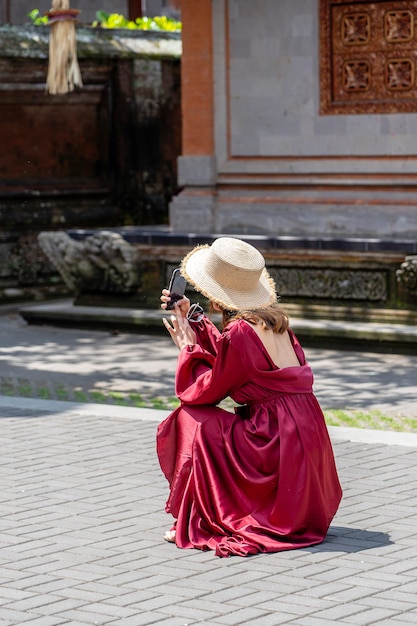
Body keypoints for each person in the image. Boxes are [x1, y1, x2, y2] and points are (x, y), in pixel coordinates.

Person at [157, 237, 342, 558]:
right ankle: (207, 510)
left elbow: (206, 392)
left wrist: (187, 348)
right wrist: (196, 321)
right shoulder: (276, 323)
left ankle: (201, 515)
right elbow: (238, 363)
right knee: (205, 420)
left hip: (275, 440)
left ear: (216, 298)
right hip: (302, 439)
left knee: (190, 417)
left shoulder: (241, 331)